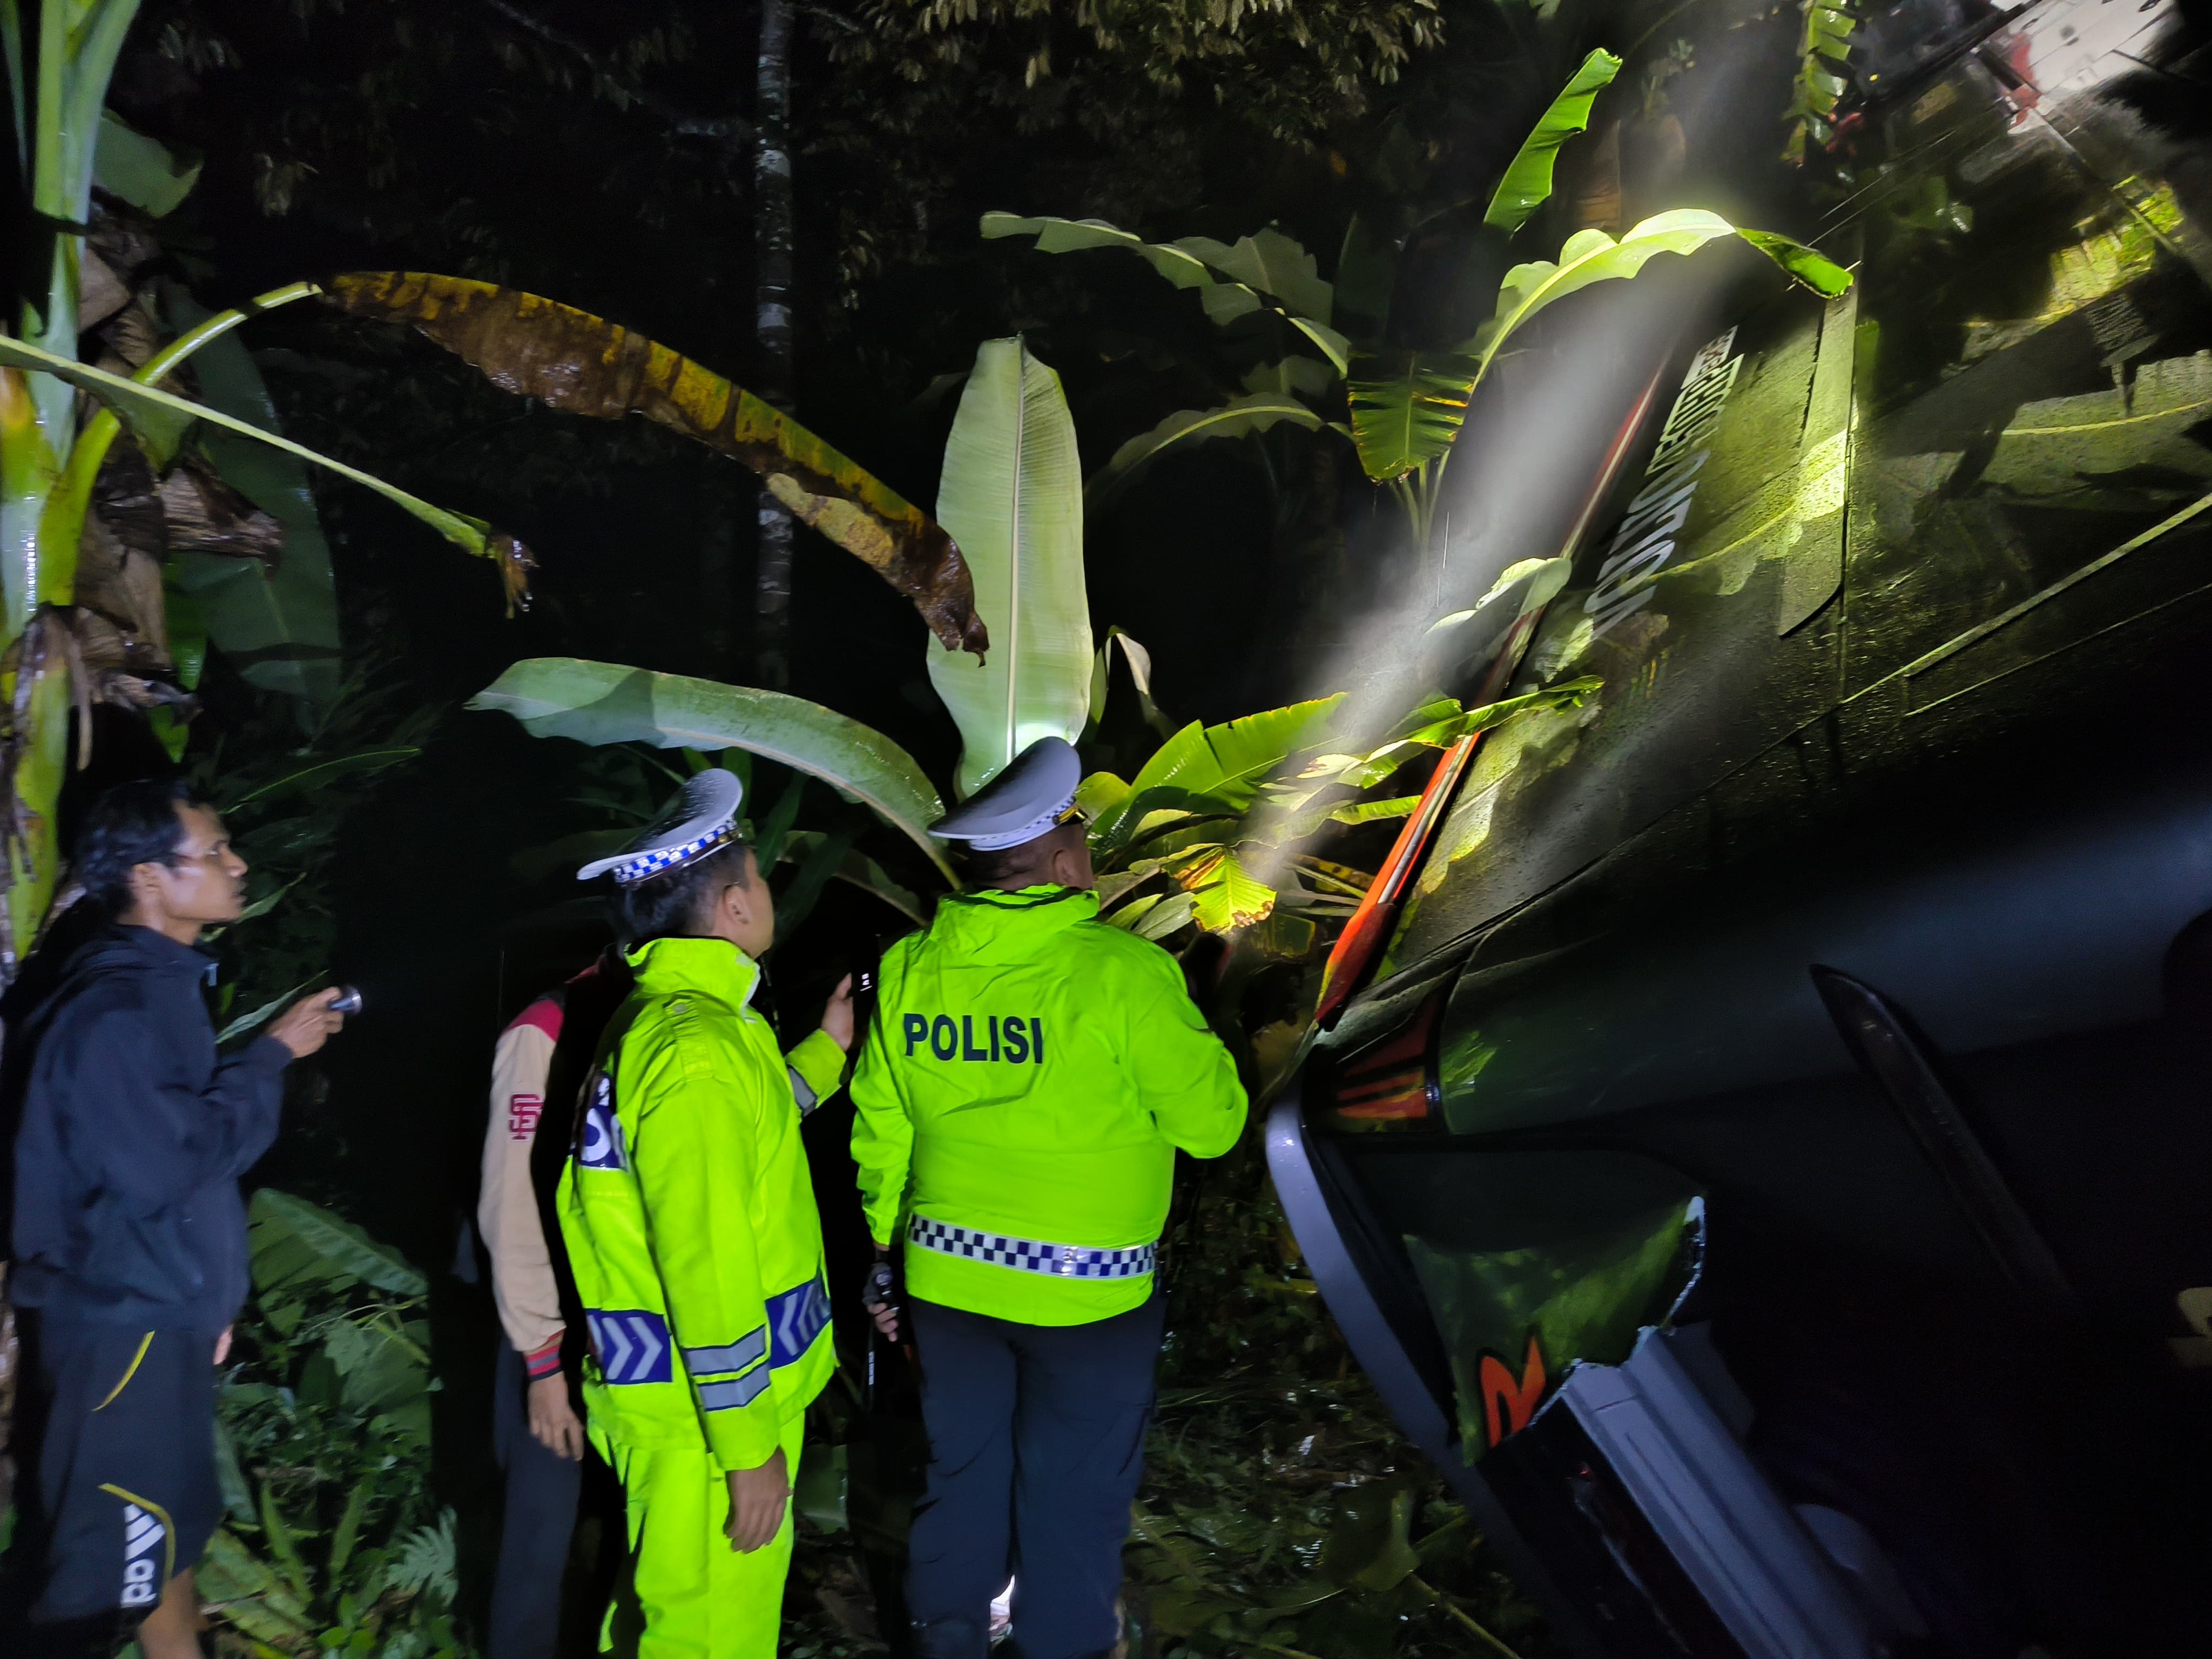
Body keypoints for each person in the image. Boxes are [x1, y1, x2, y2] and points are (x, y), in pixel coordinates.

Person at [848, 737, 1247, 1659]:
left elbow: (882, 1127)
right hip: (1090, 1297)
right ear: (1067, 857)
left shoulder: (911, 966)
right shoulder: (1123, 974)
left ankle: (946, 1641)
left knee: (963, 1475)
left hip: (945, 1283)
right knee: (1073, 1493)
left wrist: (883, 1253)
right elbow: (1215, 1126)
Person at [8, 778, 347, 1659]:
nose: (238, 864)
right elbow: (172, 1161)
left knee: (166, 1545)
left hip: (158, 1318)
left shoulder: (154, 990)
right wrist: (269, 1058)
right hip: (123, 1332)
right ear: (151, 880)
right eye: (215, 852)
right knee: (99, 1588)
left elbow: (142, 1168)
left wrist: (205, 1305)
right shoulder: (116, 1009)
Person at [559, 770, 853, 1658]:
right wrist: (746, 1446)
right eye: (761, 881)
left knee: (665, 1616)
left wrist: (829, 1054)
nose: (769, 896)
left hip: (689, 1410)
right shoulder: (697, 1052)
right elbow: (706, 1260)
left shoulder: (683, 1024)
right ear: (731, 908)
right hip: (704, 1419)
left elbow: (745, 1145)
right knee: (705, 1635)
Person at [477, 946, 632, 1659]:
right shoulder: (548, 1025)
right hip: (555, 1326)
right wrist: (542, 1361)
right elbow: (511, 1203)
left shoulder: (661, 1015)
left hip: (629, 1329)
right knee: (540, 1536)